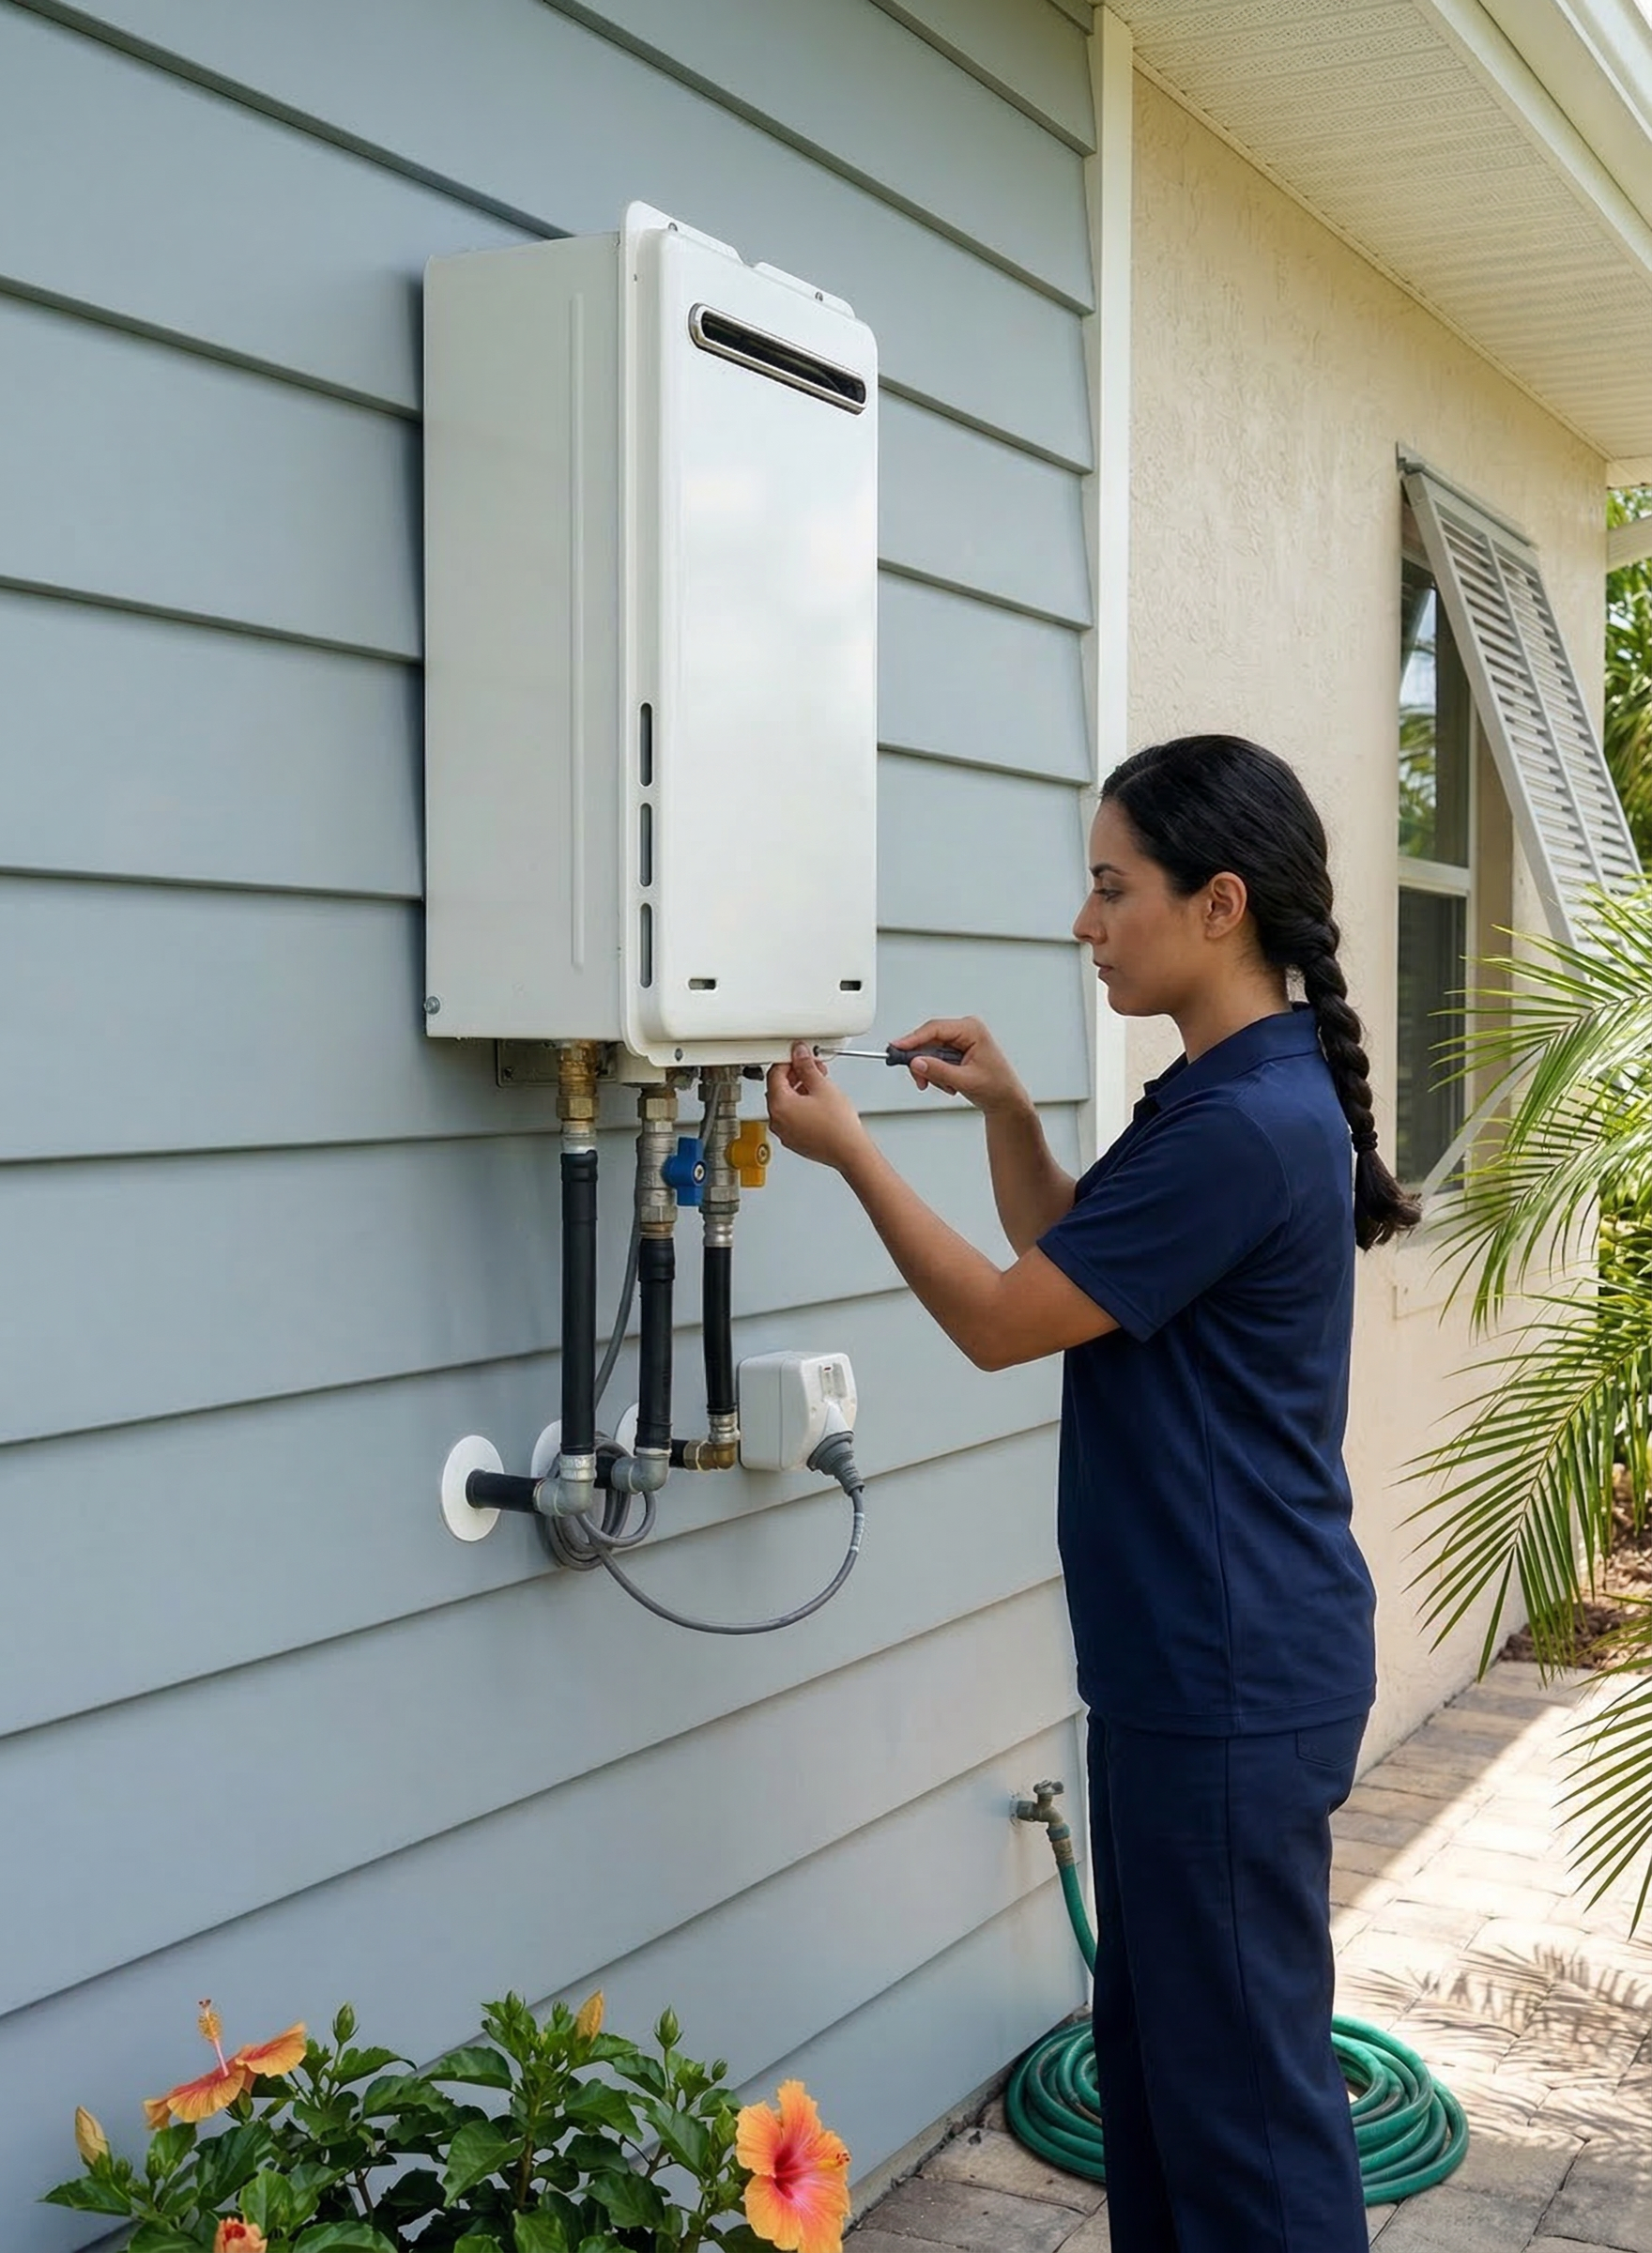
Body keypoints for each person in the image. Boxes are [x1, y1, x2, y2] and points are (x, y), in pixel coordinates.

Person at [765, 734, 1420, 2253]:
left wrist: (852, 1155)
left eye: (1111, 889)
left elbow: (1003, 1325)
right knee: (1165, 2074)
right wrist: (1002, 1110)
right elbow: (1079, 1266)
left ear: (1221, 906)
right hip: (1188, 1666)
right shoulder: (1223, 1091)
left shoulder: (1246, 1124)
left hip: (1230, 1676)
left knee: (1245, 2120)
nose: (1084, 922)